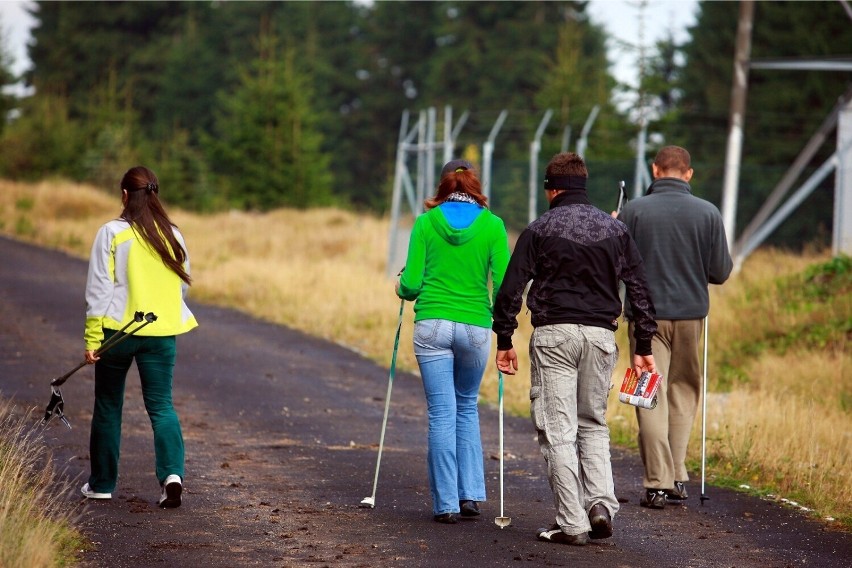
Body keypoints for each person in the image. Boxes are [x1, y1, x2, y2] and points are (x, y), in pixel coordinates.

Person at [493, 152, 657, 546]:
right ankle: (600, 504)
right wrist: (643, 342)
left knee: (558, 431)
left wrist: (504, 338)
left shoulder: (540, 228)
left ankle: (572, 523)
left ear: (551, 188)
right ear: (583, 185)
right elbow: (639, 288)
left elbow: (511, 289)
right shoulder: (614, 230)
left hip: (554, 337)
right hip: (601, 338)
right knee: (593, 424)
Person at [617, 146, 732, 509]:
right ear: (689, 173)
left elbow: (616, 264)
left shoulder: (633, 210)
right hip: (691, 318)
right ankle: (678, 476)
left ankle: (656, 482)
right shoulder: (709, 213)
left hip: (644, 320)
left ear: (654, 169)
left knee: (648, 394)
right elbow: (720, 272)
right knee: (682, 393)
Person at [396, 159, 510, 524]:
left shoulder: (425, 223)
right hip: (475, 326)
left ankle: (445, 504)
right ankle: (471, 495)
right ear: (475, 185)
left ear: (442, 185)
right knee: (466, 407)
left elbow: (411, 285)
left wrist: (400, 285)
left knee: (441, 413)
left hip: (432, 325)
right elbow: (505, 285)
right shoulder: (493, 226)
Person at [80, 166, 198, 509]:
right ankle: (172, 476)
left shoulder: (111, 233)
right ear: (154, 195)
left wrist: (92, 337)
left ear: (125, 195)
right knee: (162, 406)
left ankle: (102, 484)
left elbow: (99, 289)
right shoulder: (173, 234)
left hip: (117, 333)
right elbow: (182, 286)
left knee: (108, 404)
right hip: (161, 333)